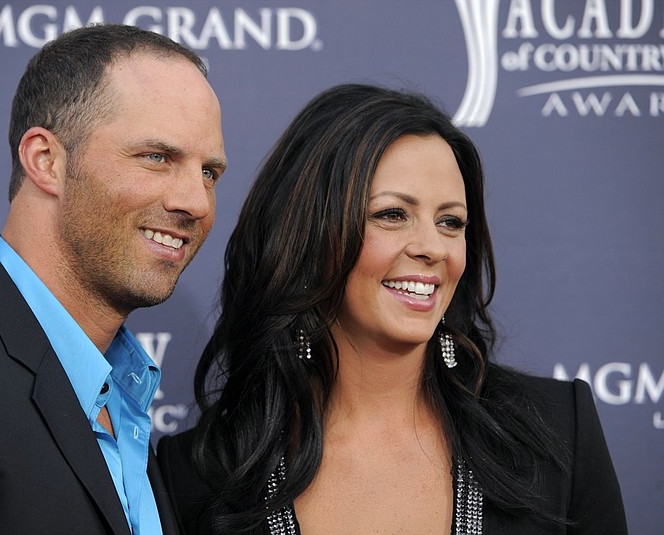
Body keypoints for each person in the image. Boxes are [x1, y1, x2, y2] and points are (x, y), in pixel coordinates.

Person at [156, 84, 626, 534]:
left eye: (451, 222)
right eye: (392, 215)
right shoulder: (200, 473)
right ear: (310, 236)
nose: (432, 248)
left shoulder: (558, 430)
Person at [0, 24, 226, 535]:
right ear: (45, 161)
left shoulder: (122, 395)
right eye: (157, 157)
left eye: (210, 172)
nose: (197, 201)